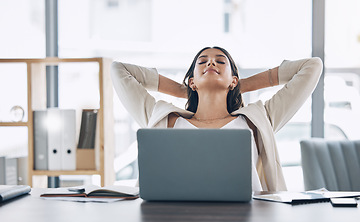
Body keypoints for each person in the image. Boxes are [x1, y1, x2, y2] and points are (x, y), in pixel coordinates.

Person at [111, 46, 323, 191]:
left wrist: (240, 86)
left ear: (233, 80)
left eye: (220, 61)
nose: (211, 62)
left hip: (249, 221)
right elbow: (119, 70)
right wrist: (182, 90)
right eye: (203, 61)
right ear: (191, 81)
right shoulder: (164, 120)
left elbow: (312, 66)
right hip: (174, 218)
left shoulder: (257, 120)